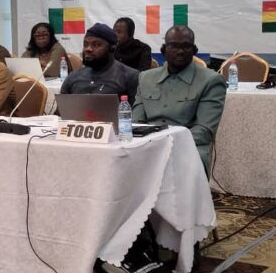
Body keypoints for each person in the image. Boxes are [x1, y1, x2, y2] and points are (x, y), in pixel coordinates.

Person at [133, 26, 226, 172]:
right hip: (147, 147)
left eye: (186, 46)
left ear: (194, 50)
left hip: (189, 149)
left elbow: (204, 131)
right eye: (174, 46)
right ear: (163, 50)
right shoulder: (146, 78)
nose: (180, 51)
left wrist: (164, 145)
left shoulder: (211, 80)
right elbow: (136, 123)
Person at [60, 23, 139, 104]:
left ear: (112, 48)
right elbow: (60, 110)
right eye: (85, 44)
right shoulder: (73, 77)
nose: (88, 49)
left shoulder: (130, 77)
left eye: (96, 45)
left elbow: (136, 110)